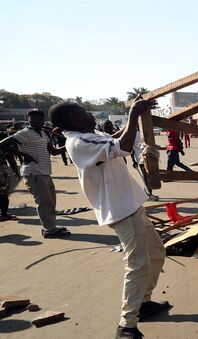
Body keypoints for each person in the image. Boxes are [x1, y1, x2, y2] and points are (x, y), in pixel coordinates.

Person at [48, 98, 170, 339]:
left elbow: (113, 139)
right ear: (74, 117)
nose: (91, 115)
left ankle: (143, 303)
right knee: (137, 265)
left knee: (156, 253)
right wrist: (134, 114)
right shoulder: (78, 142)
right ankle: (126, 326)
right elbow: (122, 146)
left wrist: (134, 119)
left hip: (131, 204)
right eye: (84, 112)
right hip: (121, 210)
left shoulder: (89, 135)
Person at [0, 109, 69, 238]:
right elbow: (2, 144)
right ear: (28, 120)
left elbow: (53, 152)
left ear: (43, 120)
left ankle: (51, 226)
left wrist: (70, 145)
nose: (38, 120)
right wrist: (22, 154)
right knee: (44, 202)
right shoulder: (24, 133)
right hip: (34, 172)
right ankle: (49, 230)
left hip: (45, 171)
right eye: (34, 118)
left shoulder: (44, 133)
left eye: (40, 118)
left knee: (51, 201)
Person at [0, 131, 20, 221]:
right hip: (1, 172)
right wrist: (16, 172)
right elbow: (11, 160)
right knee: (3, 193)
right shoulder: (5, 147)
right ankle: (3, 214)